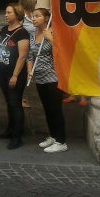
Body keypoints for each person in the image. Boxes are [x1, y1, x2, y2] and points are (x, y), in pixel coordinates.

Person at [0, 3, 29, 150]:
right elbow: (1, 47)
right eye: (5, 12)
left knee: (15, 103)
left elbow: (22, 56)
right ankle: (10, 129)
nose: (6, 15)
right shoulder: (5, 29)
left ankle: (17, 136)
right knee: (9, 102)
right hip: (4, 72)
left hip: (15, 74)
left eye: (9, 12)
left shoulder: (22, 33)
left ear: (17, 15)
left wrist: (15, 75)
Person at [27, 8, 67, 153]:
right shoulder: (32, 35)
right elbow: (30, 56)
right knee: (47, 109)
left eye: (37, 16)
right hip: (39, 78)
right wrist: (29, 71)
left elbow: (62, 51)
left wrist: (50, 38)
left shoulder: (52, 32)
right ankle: (53, 136)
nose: (33, 18)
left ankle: (62, 141)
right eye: (33, 16)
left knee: (55, 110)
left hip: (53, 77)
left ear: (46, 18)